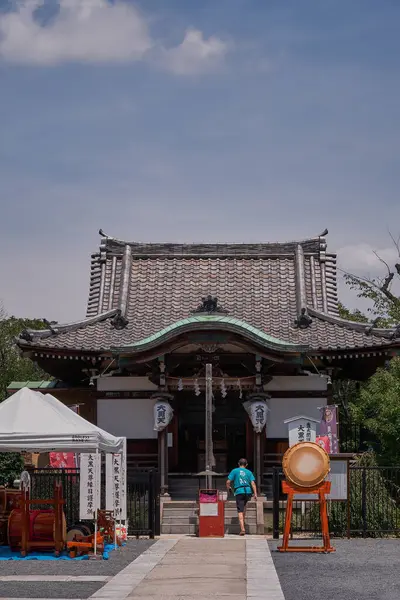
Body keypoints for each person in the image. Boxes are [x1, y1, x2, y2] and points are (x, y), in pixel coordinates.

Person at [226, 458, 257, 536]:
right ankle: (243, 522)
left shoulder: (235, 471)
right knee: (244, 506)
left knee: (240, 510)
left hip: (239, 491)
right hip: (248, 491)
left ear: (238, 464)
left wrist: (228, 488)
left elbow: (228, 481)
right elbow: (253, 483)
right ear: (246, 464)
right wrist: (255, 494)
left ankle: (242, 529)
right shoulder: (249, 472)